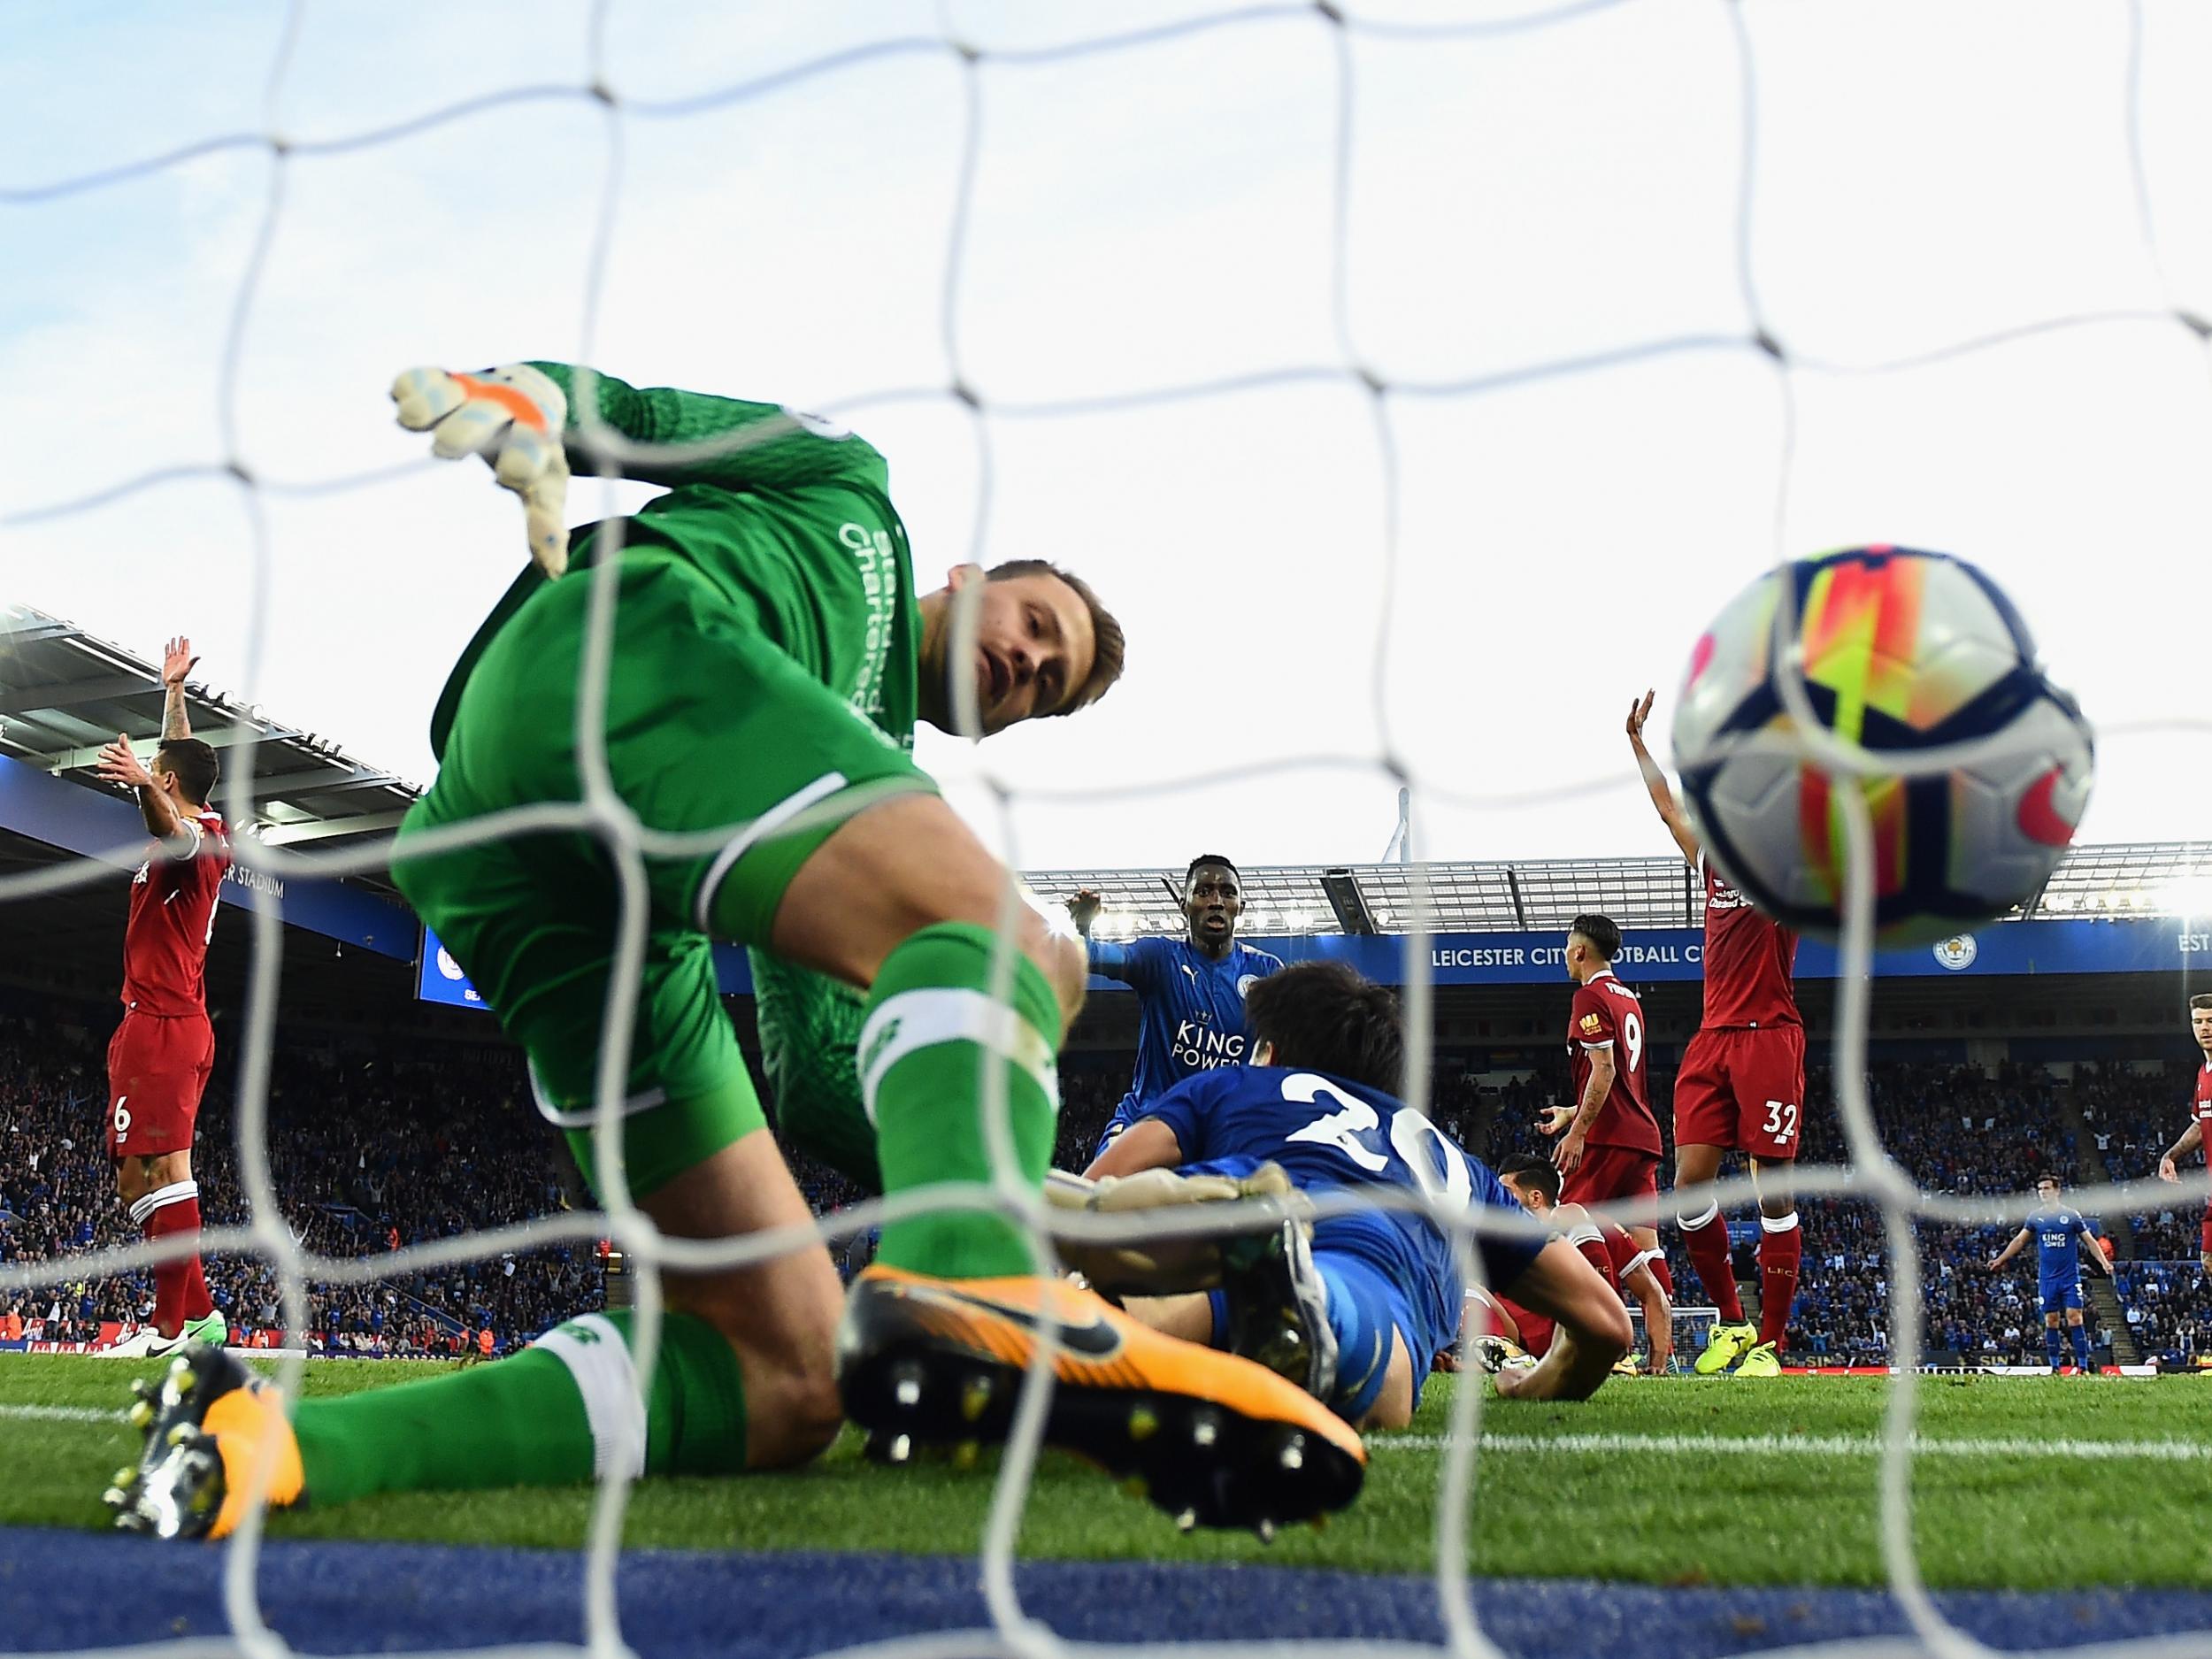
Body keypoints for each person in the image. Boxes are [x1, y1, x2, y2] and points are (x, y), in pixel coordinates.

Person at [109, 362, 1361, 1541]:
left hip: (511, 866)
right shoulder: (850, 492)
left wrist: (1063, 1202)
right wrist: (539, 399)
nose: (1029, 660)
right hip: (607, 656)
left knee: (791, 1374)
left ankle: (268, 1440)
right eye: (1035, 624)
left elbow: (822, 1074)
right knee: (1022, 947)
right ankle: (987, 1287)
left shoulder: (856, 782)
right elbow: (651, 415)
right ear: (971, 576)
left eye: (1046, 682)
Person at [1087, 961, 1632, 1425]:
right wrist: (1530, 1383)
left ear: (1270, 1053)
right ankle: (1327, 1316)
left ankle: (1093, 1319)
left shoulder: (1232, 1085)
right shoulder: (1450, 1158)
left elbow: (1097, 1187)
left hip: (1237, 1206)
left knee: (1152, 1278)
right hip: (1375, 1270)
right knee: (1374, 1336)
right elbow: (1606, 1324)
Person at [1626, 689, 1804, 1379]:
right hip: (1713, 1037)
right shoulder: (1713, 863)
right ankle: (1732, 1323)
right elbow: (1668, 805)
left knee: (1773, 1192)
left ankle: (1773, 1343)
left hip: (1769, 1036)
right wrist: (1640, 745)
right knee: (1690, 1185)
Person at [96, 635, 230, 1360]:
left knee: (166, 1170)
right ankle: (201, 1313)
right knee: (132, 1180)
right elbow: (183, 773)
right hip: (162, 1023)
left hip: (166, 1022)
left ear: (169, 783)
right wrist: (173, 693)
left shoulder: (192, 841)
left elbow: (169, 828)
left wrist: (144, 785)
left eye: (159, 772)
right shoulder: (212, 819)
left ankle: (168, 1329)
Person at [1070, 856, 1283, 1158]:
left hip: (1223, 1133)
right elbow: (1094, 956)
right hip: (1149, 1119)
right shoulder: (1160, 959)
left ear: (1240, 908)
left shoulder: (1266, 972)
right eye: (1204, 891)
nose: (1216, 901)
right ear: (1184, 904)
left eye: (1228, 893)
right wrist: (1082, 929)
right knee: (1101, 1189)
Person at [1539, 913, 1671, 1298]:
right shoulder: (1628, 998)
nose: (1564, 954)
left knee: (1567, 1223)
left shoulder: (1588, 997)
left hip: (1607, 1137)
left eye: (1567, 946)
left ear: (1580, 951)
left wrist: (1578, 1132)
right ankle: (1667, 1347)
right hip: (1642, 1138)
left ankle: (1597, 1339)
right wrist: (1572, 1111)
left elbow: (1606, 1069)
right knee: (1647, 1244)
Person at [1494, 1154, 1673, 1376]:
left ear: (1536, 1198)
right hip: (1530, 1348)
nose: (1498, 1201)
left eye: (1506, 1193)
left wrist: (1658, 1363)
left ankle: (1604, 1343)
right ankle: (1503, 1359)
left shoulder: (1592, 1223)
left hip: (1577, 1334)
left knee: (1572, 1215)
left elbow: (1652, 1292)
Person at [1985, 1173, 2110, 1374]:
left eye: (2046, 1188)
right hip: (2047, 1279)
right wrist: (2001, 1258)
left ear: (2057, 1191)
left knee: (2074, 1317)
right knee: (2051, 1320)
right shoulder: (2036, 1217)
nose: (2043, 1192)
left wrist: (2103, 1262)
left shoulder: (2071, 1216)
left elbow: (2089, 1240)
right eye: (2040, 1189)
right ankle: (2054, 1367)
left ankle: (2083, 1367)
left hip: (2069, 1277)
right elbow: (2019, 1241)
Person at [2154, 994, 2212, 1277]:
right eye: (2199, 1021)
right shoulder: (2204, 1074)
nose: (2205, 1028)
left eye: (2211, 1021)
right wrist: (2171, 1154)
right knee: (2208, 1261)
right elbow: (2201, 1124)